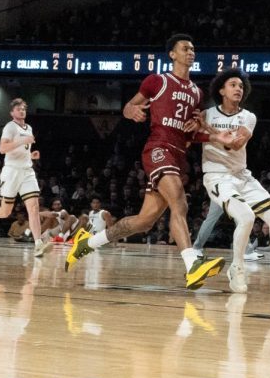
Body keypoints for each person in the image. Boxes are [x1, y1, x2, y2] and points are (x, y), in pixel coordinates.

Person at [66, 34, 230, 290]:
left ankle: (88, 243)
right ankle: (192, 265)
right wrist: (131, 111)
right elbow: (129, 107)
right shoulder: (157, 81)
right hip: (158, 148)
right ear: (172, 54)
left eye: (193, 49)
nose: (191, 52)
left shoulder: (197, 93)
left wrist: (207, 133)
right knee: (180, 202)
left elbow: (188, 135)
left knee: (144, 221)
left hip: (178, 155)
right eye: (185, 48)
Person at [197, 68, 270, 294]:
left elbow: (235, 144)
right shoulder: (207, 113)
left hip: (242, 176)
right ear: (221, 90)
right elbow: (192, 136)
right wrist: (206, 128)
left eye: (241, 86)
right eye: (233, 85)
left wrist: (208, 131)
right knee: (246, 217)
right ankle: (236, 269)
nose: (238, 88)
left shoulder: (248, 116)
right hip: (217, 176)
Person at [0, 99, 50, 256]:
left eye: (23, 109)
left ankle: (38, 244)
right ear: (12, 113)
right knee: (6, 211)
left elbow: (21, 151)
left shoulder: (29, 128)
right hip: (11, 171)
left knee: (34, 208)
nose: (22, 111)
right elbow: (2, 148)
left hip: (27, 171)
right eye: (18, 109)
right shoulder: (9, 127)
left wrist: (31, 156)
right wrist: (22, 140)